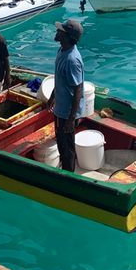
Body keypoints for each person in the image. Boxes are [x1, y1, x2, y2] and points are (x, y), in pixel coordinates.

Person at [47, 19, 85, 172]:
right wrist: (52, 97)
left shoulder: (72, 60)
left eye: (61, 31)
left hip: (67, 113)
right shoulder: (61, 50)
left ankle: (69, 176)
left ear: (67, 36)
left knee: (67, 148)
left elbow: (78, 90)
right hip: (60, 108)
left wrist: (71, 119)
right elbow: (59, 79)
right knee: (61, 143)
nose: (57, 33)